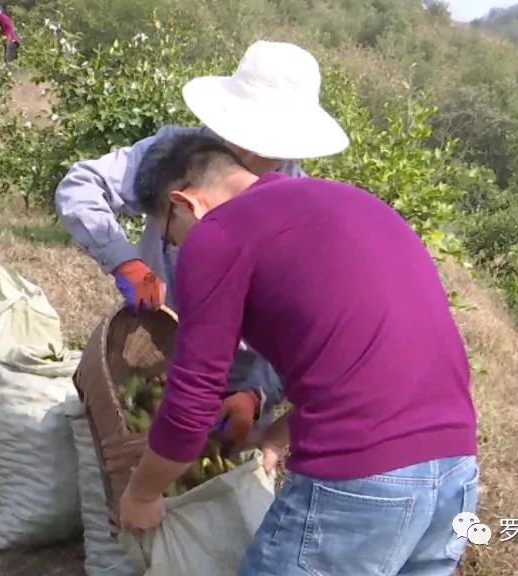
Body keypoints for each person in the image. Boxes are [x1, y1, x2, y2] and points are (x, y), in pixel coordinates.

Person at [117, 132, 480, 576]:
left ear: (183, 203)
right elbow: (372, 363)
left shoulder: (219, 232)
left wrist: (142, 494)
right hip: (456, 473)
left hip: (361, 483)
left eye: (170, 237)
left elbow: (191, 404)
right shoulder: (350, 203)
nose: (177, 251)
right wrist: (276, 435)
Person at [54, 40, 349, 443]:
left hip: (235, 377)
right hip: (156, 348)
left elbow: (301, 323)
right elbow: (81, 186)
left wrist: (257, 393)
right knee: (125, 452)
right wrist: (124, 261)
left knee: (204, 482)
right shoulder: (175, 155)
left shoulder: (300, 202)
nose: (251, 152)